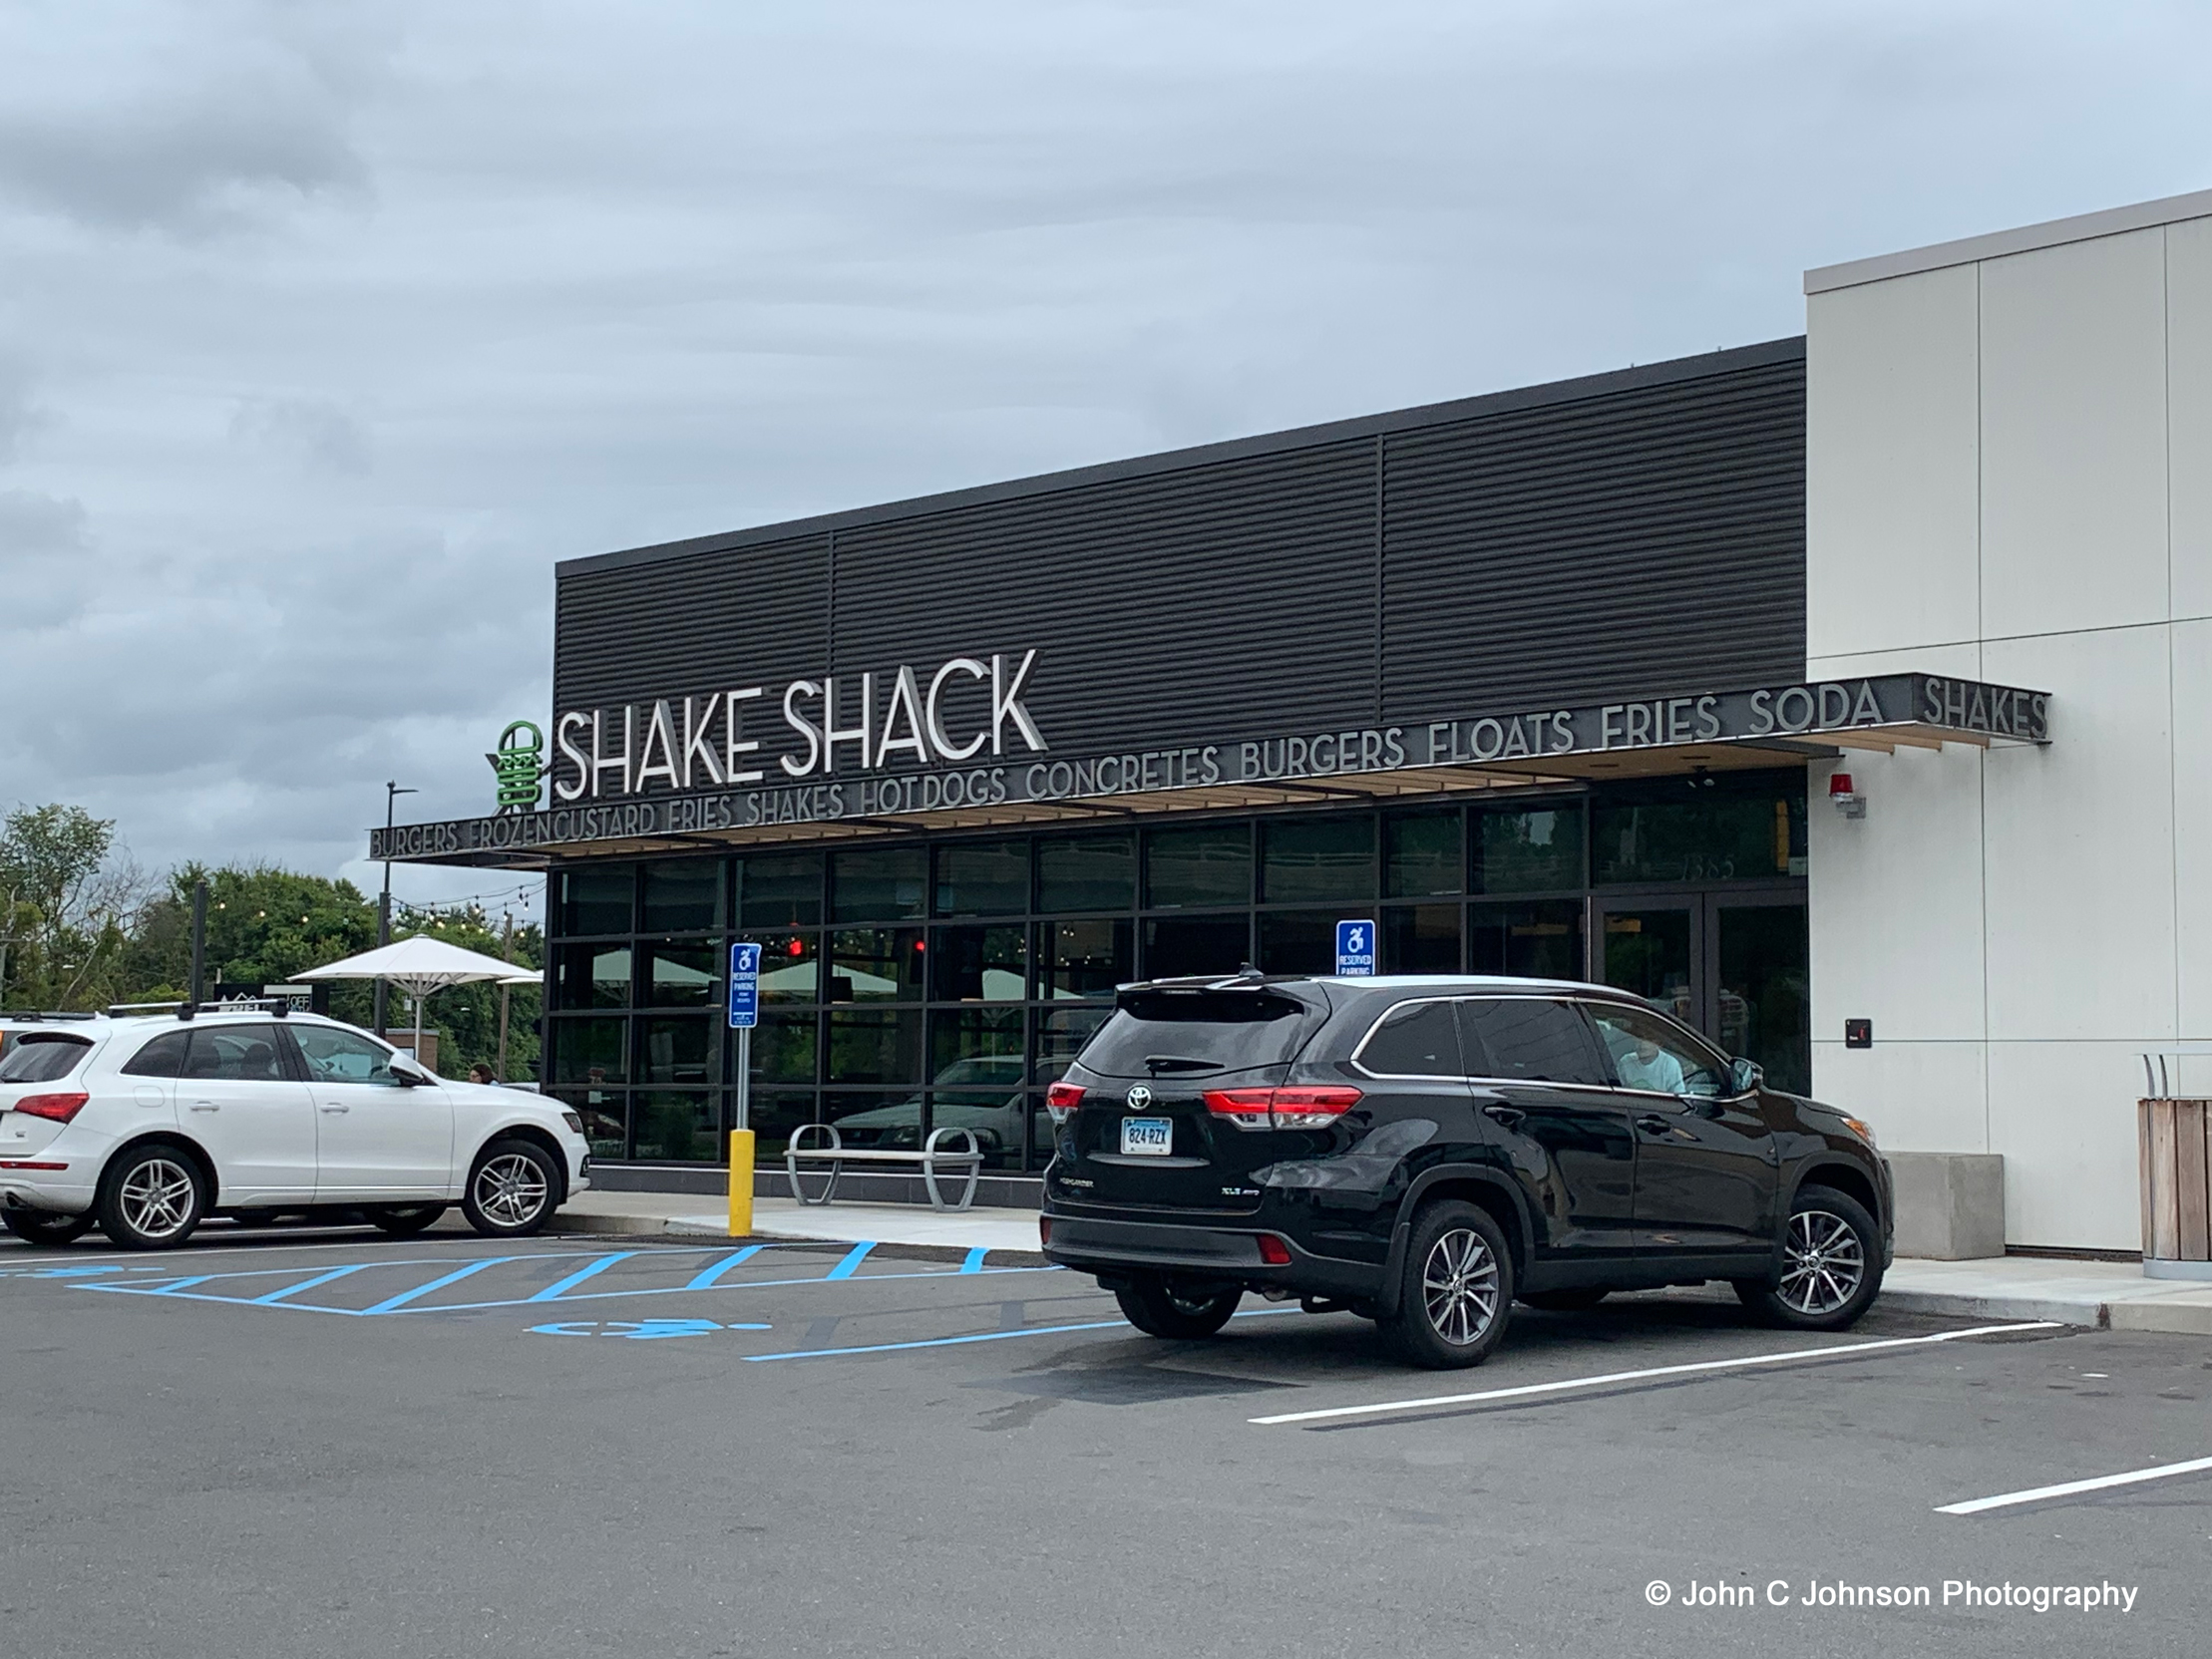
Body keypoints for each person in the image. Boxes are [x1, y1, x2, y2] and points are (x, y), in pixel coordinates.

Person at [1615, 1034, 1685, 1095]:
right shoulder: (1625, 1062)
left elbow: (1679, 1096)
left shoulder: (1669, 1064)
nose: (1642, 1044)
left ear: (1659, 1044)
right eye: (1639, 1038)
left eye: (1649, 1039)